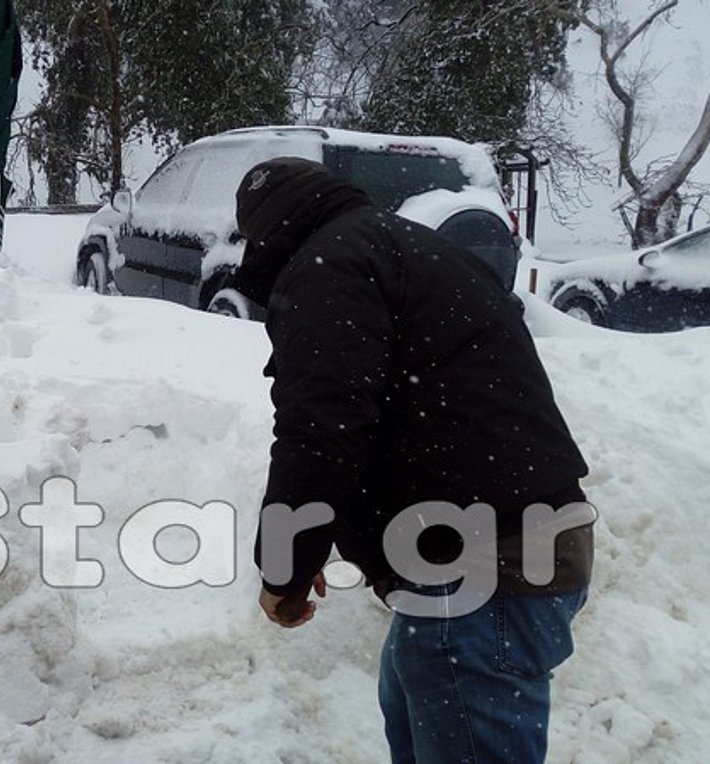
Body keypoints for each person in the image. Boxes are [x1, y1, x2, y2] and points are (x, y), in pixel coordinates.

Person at [236, 156, 596, 763]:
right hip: (495, 555)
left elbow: (321, 430)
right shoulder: (410, 249)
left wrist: (286, 569)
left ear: (269, 233)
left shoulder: (333, 266)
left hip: (482, 572)